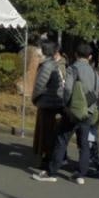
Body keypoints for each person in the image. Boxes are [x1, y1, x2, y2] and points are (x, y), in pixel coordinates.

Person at [32, 42, 99, 184]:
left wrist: (67, 105)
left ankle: (52, 172)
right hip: (88, 111)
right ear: (90, 56)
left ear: (76, 54)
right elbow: (96, 92)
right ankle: (80, 174)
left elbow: (67, 89)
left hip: (73, 111)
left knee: (61, 140)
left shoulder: (73, 69)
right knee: (84, 143)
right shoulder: (94, 72)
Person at [31, 41, 64, 171]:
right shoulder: (53, 64)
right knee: (50, 133)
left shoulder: (47, 66)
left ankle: (46, 160)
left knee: (45, 134)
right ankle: (48, 158)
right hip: (55, 103)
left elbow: (39, 86)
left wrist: (35, 99)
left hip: (47, 104)